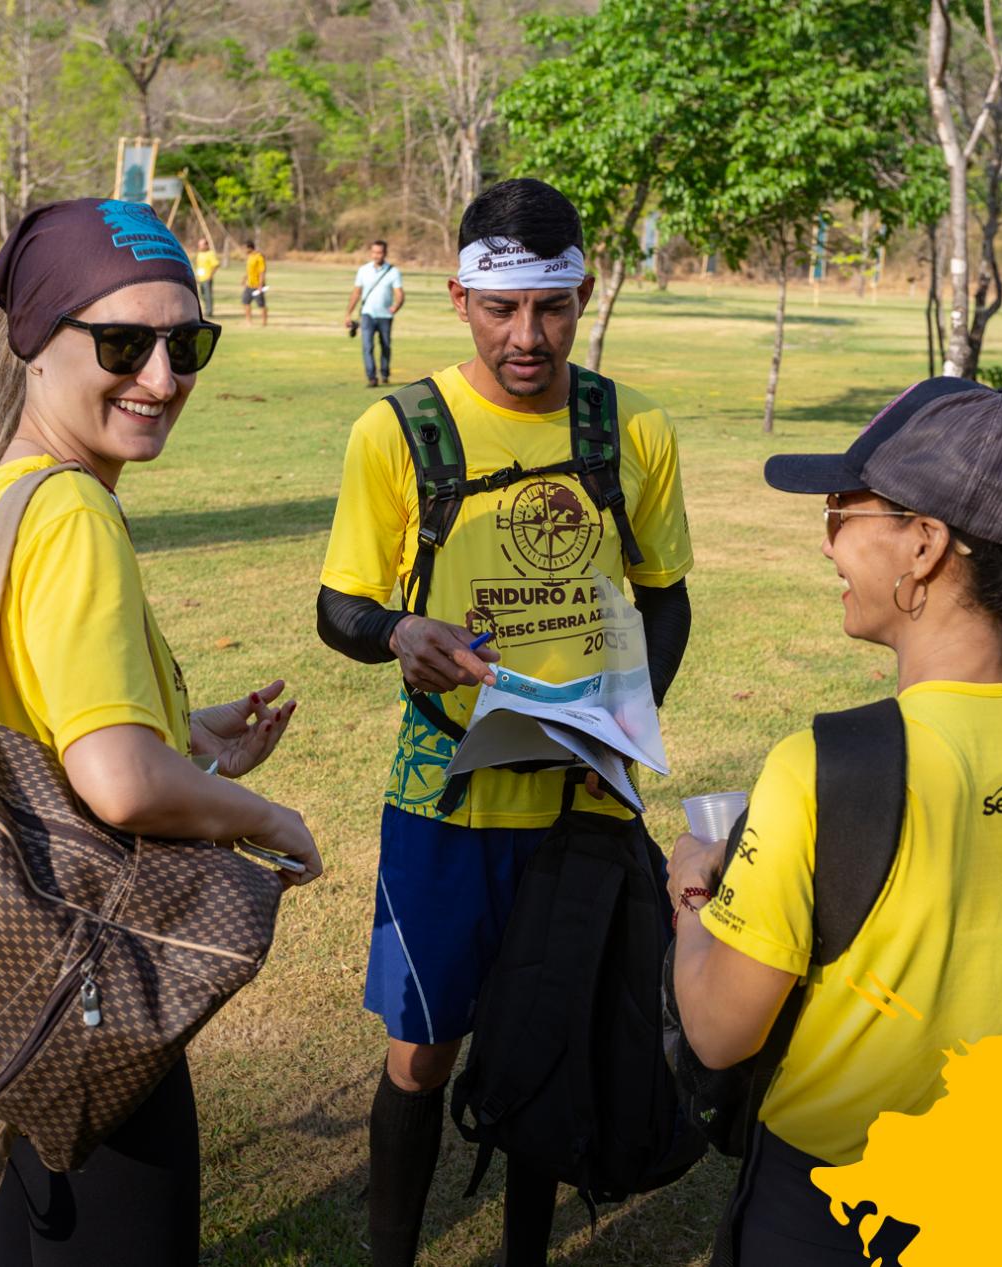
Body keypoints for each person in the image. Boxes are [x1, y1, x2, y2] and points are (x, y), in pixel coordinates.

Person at [668, 379, 1002, 1264]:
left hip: (833, 1213)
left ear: (924, 542)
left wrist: (691, 894)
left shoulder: (821, 769)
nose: (826, 537)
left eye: (842, 509)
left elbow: (719, 1032)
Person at [0, 197, 323, 1264]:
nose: (163, 377)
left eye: (188, 345)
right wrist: (267, 817)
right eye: (125, 344)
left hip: (10, 985)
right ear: (34, 341)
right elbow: (118, 782)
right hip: (89, 990)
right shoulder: (77, 512)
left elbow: (40, 730)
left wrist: (189, 738)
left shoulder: (0, 499)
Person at [317, 178, 694, 1266]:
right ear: (458, 298)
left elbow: (664, 596)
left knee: (549, 1039)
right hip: (447, 800)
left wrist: (627, 717)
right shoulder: (399, 430)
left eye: (552, 308)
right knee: (420, 1054)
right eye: (500, 308)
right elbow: (338, 606)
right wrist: (397, 631)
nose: (526, 337)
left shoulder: (631, 427)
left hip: (584, 800)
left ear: (583, 295)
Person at [346, 238, 404, 387]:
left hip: (385, 315)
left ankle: (384, 373)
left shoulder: (393, 272)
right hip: (367, 314)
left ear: (385, 253)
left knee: (385, 346)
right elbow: (356, 293)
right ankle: (372, 377)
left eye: (379, 252)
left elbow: (399, 294)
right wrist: (348, 314)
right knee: (367, 346)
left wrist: (396, 306)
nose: (376, 255)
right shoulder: (363, 270)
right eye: (374, 252)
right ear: (371, 253)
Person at [241, 239, 268, 326]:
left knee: (261, 304)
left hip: (257, 285)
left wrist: (260, 285)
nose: (244, 250)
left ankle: (264, 322)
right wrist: (244, 279)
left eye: (245, 248)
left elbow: (262, 272)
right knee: (246, 302)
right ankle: (248, 321)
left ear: (250, 248)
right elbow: (249, 270)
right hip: (249, 285)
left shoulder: (259, 257)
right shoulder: (250, 257)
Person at [193, 235, 220, 317]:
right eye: (199, 245)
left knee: (208, 295)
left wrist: (210, 275)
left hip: (207, 278)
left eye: (201, 245)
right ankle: (205, 309)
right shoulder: (199, 254)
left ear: (206, 245)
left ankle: (209, 312)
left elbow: (216, 265)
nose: (199, 247)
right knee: (202, 295)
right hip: (200, 278)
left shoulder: (210, 254)